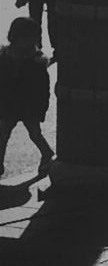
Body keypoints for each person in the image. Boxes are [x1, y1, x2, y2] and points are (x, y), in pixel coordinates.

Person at [0, 18, 54, 179]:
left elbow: (43, 89)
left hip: (27, 105)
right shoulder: (4, 58)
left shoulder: (36, 63)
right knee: (3, 134)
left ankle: (47, 154)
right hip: (8, 103)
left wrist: (41, 108)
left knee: (34, 133)